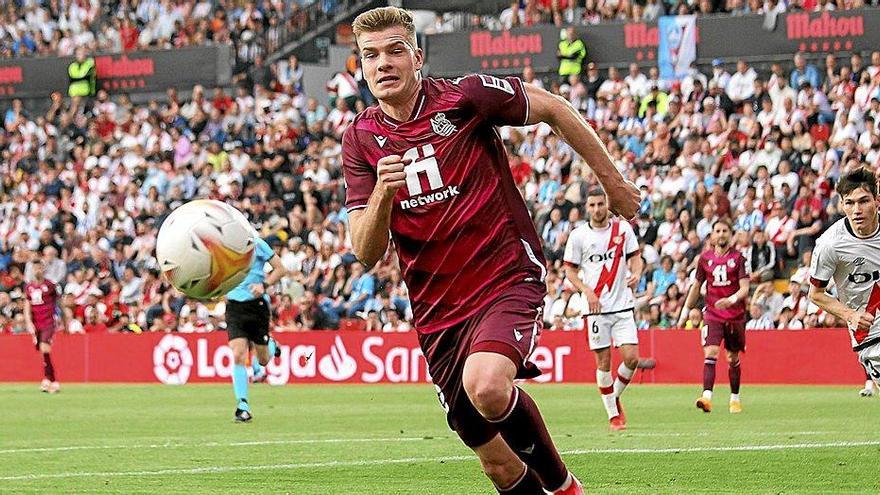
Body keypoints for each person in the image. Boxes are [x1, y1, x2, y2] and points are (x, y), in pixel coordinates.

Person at [342, 7, 638, 494]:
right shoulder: (359, 139)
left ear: (417, 57)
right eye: (371, 55)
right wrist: (381, 194)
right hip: (437, 313)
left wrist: (615, 186)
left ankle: (565, 487)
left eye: (396, 51)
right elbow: (365, 251)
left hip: (504, 277)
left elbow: (555, 108)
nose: (383, 64)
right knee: (497, 465)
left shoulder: (466, 96)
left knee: (487, 385)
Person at [563, 188, 643, 431]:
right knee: (604, 362)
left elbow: (635, 257)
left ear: (607, 205)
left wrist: (637, 273)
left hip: (622, 304)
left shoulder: (623, 229)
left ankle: (614, 395)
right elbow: (570, 271)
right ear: (587, 208)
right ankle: (612, 415)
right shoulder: (578, 236)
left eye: (600, 204)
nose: (597, 209)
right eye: (592, 205)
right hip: (596, 309)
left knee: (632, 358)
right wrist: (586, 291)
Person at [808, 168, 880, 397]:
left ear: (877, 201)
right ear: (841, 204)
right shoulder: (830, 244)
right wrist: (850, 315)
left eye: (864, 201)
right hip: (870, 333)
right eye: (849, 203)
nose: (857, 210)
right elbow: (815, 294)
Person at [678, 219, 749, 414]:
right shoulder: (704, 259)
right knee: (710, 353)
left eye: (725, 230)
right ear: (712, 235)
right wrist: (685, 311)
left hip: (735, 315)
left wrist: (731, 299)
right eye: (717, 231)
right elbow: (695, 286)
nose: (721, 234)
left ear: (730, 234)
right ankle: (706, 397)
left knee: (732, 358)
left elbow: (745, 288)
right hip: (712, 314)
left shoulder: (739, 258)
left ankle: (734, 398)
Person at [224, 237, 290, 422]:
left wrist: (264, 285)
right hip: (234, 307)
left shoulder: (257, 244)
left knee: (263, 361)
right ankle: (242, 406)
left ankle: (271, 344)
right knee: (238, 354)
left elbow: (280, 268)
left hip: (257, 306)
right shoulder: (222, 245)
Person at [23, 258, 67, 393]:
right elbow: (27, 306)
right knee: (43, 351)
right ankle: (47, 379)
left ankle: (53, 381)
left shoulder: (50, 286)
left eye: (39, 267)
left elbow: (60, 304)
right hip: (36, 323)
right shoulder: (29, 287)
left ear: (43, 269)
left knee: (45, 348)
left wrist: (65, 321)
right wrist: (29, 322)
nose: (37, 270)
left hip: (48, 321)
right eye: (35, 268)